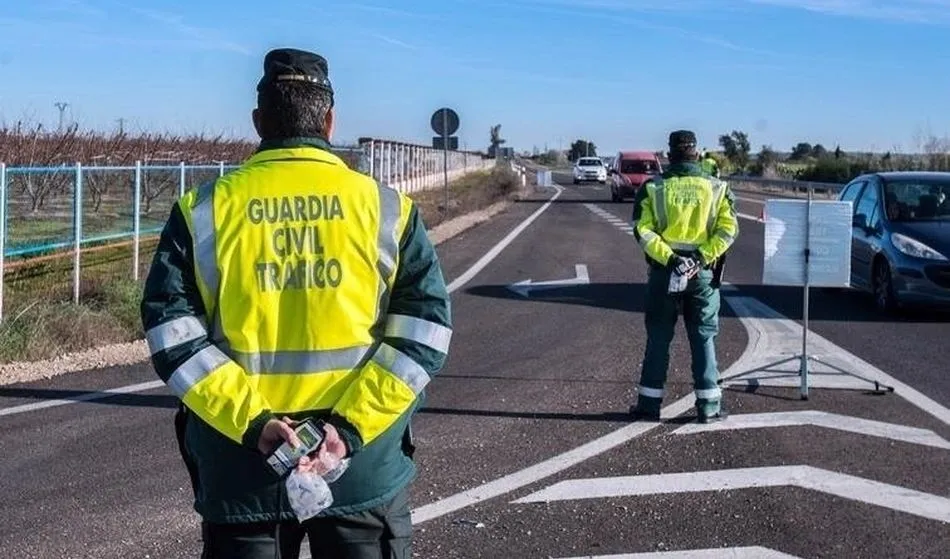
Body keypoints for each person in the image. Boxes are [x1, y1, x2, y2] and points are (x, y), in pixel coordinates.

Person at [140, 47, 452, 558]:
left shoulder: (202, 211)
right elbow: (424, 334)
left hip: (243, 469)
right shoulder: (387, 210)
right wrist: (347, 430)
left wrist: (254, 424)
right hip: (357, 468)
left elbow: (171, 334)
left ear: (258, 120)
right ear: (329, 120)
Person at [629, 130, 738, 423]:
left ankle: (649, 406)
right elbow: (728, 231)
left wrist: (673, 259)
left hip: (665, 273)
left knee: (659, 337)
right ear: (697, 153)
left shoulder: (654, 188)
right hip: (702, 273)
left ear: (669, 154)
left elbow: (643, 230)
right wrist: (700, 258)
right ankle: (709, 408)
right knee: (703, 337)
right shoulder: (717, 188)